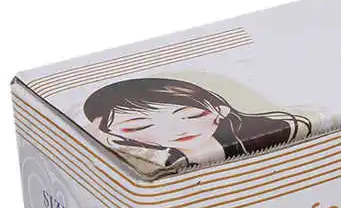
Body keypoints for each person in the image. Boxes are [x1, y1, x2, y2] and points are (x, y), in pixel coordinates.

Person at [83, 77, 312, 175]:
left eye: (186, 115)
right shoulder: (158, 167)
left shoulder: (281, 134)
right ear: (119, 138)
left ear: (220, 109)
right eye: (138, 127)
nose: (176, 131)